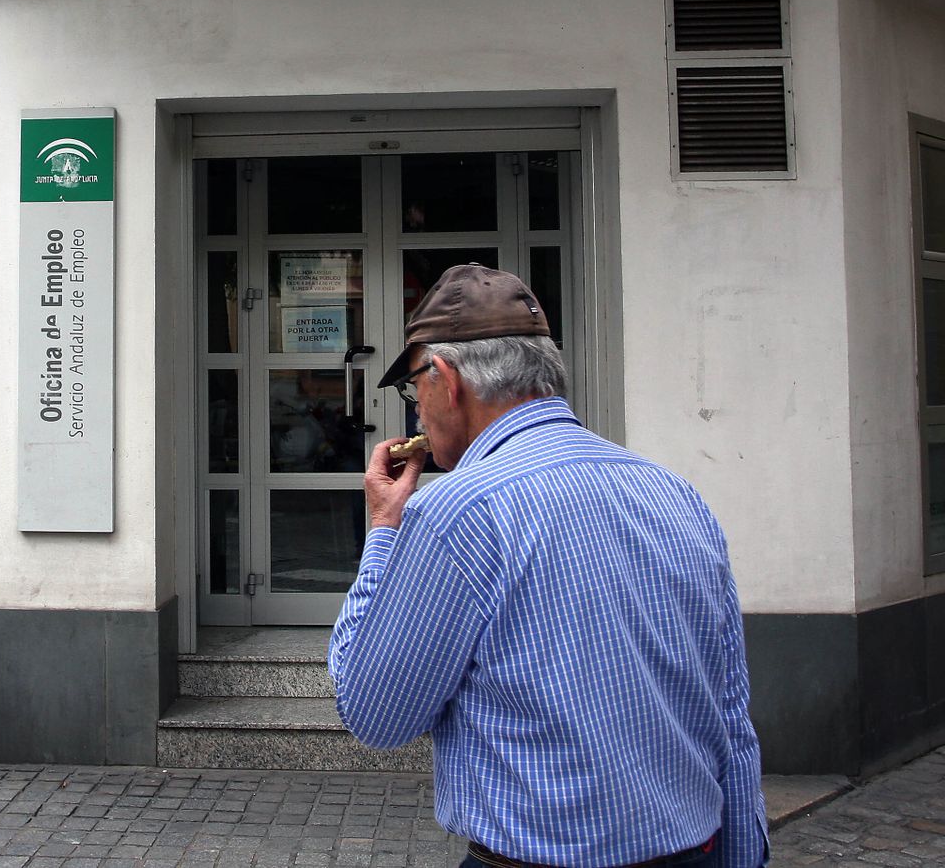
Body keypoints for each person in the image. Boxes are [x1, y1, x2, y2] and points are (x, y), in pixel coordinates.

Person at [328, 264, 768, 868]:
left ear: (446, 378)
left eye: (412, 389)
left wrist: (383, 533)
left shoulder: (454, 512)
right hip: (695, 853)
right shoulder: (673, 492)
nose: (416, 412)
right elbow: (730, 711)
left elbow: (374, 711)